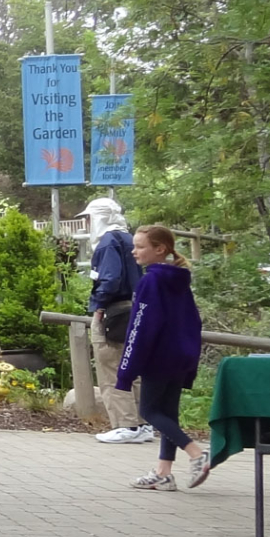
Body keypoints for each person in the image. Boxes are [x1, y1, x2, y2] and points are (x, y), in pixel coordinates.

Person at [117, 224, 213, 491]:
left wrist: (127, 370)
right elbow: (193, 320)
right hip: (181, 355)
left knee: (148, 411)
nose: (134, 251)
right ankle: (163, 473)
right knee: (168, 412)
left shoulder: (151, 281)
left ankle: (196, 453)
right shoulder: (179, 280)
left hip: (158, 357)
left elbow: (141, 326)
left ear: (160, 249)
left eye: (140, 246)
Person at [85, 197, 151, 444]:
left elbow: (110, 278)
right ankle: (142, 424)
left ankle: (125, 425)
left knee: (111, 368)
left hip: (113, 311)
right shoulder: (129, 239)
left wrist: (100, 303)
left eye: (89, 218)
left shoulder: (107, 242)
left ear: (99, 218)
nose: (87, 224)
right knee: (133, 368)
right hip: (135, 308)